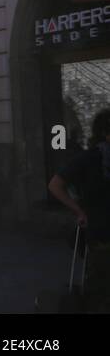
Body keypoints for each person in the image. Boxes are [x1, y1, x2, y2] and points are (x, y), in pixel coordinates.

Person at [48, 108, 110, 312]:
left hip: (99, 230)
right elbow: (55, 185)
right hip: (100, 234)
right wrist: (79, 211)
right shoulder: (89, 159)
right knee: (99, 290)